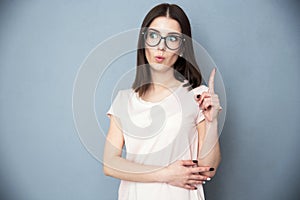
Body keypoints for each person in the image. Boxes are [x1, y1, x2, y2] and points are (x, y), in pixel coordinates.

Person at [103, 3, 222, 200]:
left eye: (172, 39)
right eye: (153, 35)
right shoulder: (124, 99)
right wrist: (166, 174)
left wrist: (212, 122)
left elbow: (207, 170)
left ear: (182, 47)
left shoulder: (198, 96)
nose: (161, 46)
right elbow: (110, 163)